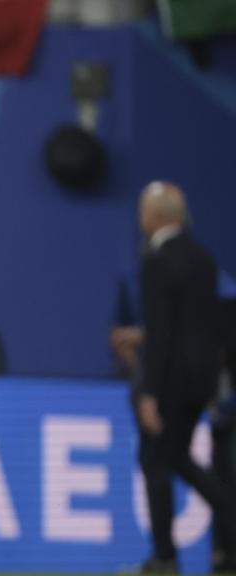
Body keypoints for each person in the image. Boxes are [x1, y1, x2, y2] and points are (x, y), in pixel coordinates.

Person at [135, 181, 236, 574]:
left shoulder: (157, 260)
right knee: (175, 457)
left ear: (157, 216)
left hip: (171, 383)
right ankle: (222, 534)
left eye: (144, 210)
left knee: (156, 459)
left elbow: (162, 331)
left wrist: (149, 392)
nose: (141, 218)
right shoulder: (203, 258)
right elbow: (201, 325)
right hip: (202, 381)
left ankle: (165, 556)